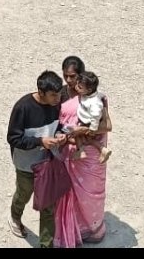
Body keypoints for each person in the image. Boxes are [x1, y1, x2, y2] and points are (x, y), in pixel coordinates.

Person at [54, 59, 111, 248]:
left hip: (90, 156)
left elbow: (107, 125)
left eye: (74, 76)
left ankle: (92, 229)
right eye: (66, 76)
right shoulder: (60, 94)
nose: (69, 80)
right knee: (68, 193)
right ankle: (71, 228)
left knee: (91, 192)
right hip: (68, 149)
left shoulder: (96, 98)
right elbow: (55, 124)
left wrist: (82, 131)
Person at [6, 70, 65, 248]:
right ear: (41, 92)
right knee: (24, 194)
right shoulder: (23, 108)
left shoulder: (56, 104)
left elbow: (59, 125)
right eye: (53, 95)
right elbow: (13, 138)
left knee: (48, 206)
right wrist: (40, 141)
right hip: (26, 165)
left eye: (59, 94)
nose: (57, 99)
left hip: (48, 163)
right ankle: (15, 217)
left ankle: (46, 245)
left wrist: (60, 134)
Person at [66, 71, 111, 164]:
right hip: (86, 121)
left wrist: (92, 129)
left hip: (88, 122)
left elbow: (96, 116)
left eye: (80, 87)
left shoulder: (95, 102)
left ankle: (81, 151)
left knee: (77, 134)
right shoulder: (90, 95)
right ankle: (102, 149)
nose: (76, 88)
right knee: (88, 139)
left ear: (89, 90)